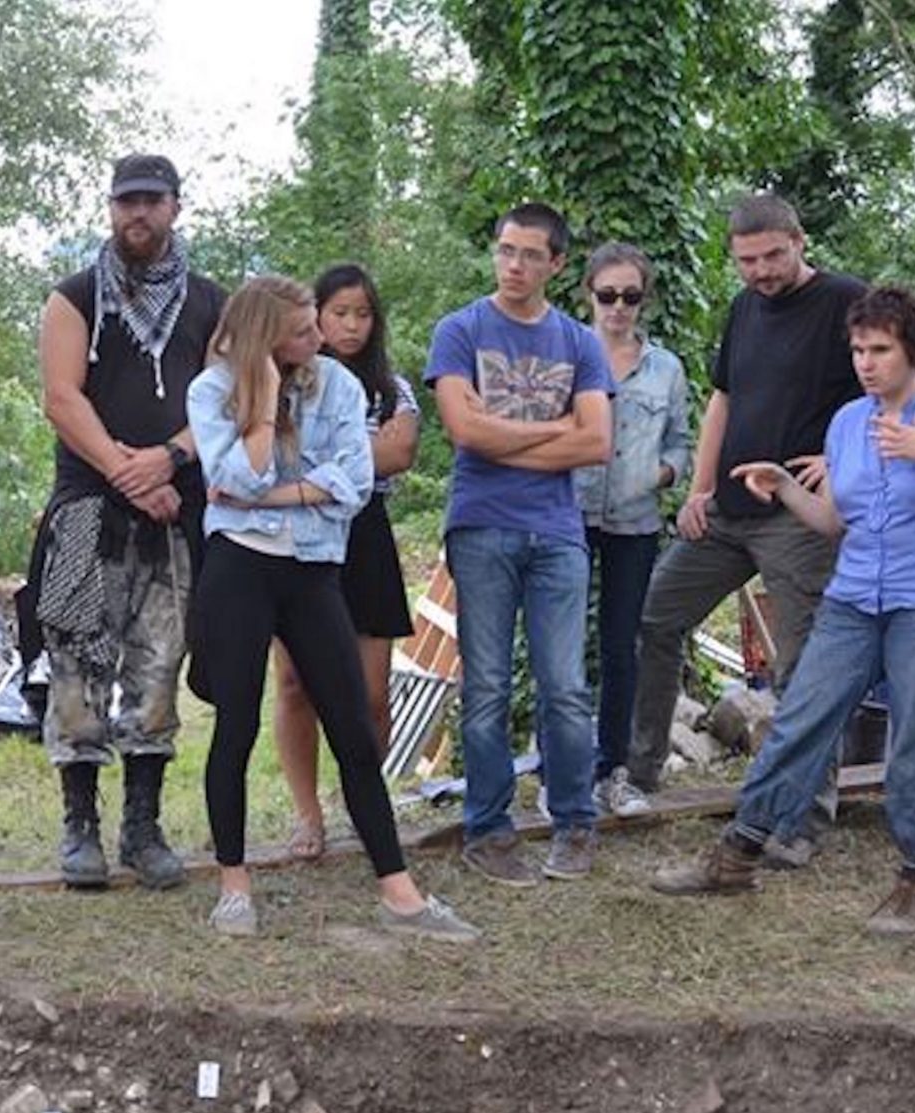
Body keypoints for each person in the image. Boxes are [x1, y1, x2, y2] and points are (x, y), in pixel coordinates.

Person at [651, 288, 915, 935]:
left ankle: (914, 880)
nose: (866, 362)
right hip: (854, 596)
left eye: (880, 350)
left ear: (914, 350)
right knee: (799, 720)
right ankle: (738, 853)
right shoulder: (847, 422)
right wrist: (785, 487)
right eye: (858, 349)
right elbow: (839, 522)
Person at [187, 276, 481, 942]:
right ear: (267, 338)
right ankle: (233, 884)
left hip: (316, 565)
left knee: (351, 722)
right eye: (302, 331)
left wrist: (270, 497)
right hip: (239, 567)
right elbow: (233, 478)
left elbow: (352, 483)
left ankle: (399, 892)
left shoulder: (340, 387)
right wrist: (261, 405)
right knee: (235, 723)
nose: (319, 339)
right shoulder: (211, 391)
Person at [621, 196, 867, 867]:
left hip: (799, 518)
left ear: (799, 239)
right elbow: (723, 399)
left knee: (805, 669)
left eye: (772, 256)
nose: (759, 271)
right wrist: (700, 489)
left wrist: (843, 458)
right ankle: (639, 772)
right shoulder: (743, 308)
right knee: (654, 615)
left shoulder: (848, 300)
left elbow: (901, 381)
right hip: (728, 510)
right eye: (746, 260)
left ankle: (801, 816)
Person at [33, 153, 227, 891]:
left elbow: (222, 398)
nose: (135, 215)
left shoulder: (210, 302)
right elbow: (61, 398)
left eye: (149, 201)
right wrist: (127, 470)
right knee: (78, 667)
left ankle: (142, 825)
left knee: (158, 665)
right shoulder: (75, 294)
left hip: (176, 508)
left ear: (176, 206)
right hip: (86, 506)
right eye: (124, 202)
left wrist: (169, 459)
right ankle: (78, 823)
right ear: (110, 207)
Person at [424, 202, 613, 886]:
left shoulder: (579, 343)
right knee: (487, 685)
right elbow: (464, 433)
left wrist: (501, 430)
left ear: (557, 264)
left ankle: (574, 821)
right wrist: (552, 433)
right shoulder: (460, 329)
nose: (515, 265)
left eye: (532, 254)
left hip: (557, 532)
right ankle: (489, 827)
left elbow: (598, 441)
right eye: (506, 250)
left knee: (564, 685)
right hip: (481, 524)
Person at [270, 265, 419, 860]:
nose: (352, 325)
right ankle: (307, 815)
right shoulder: (285, 381)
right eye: (340, 313)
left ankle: (361, 800)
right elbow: (275, 457)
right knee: (294, 683)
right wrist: (351, 459)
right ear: (316, 318)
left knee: (371, 693)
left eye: (363, 314)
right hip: (301, 538)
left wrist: (328, 463)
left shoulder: (391, 387)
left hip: (367, 538)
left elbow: (399, 451)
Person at [572, 242, 691, 818]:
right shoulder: (564, 350)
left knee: (623, 646)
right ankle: (562, 770)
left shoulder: (665, 368)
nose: (618, 307)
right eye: (607, 295)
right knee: (561, 644)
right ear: (588, 293)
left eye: (631, 297)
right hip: (565, 511)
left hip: (635, 519)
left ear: (645, 299)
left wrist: (663, 472)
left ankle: (613, 771)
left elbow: (681, 442)